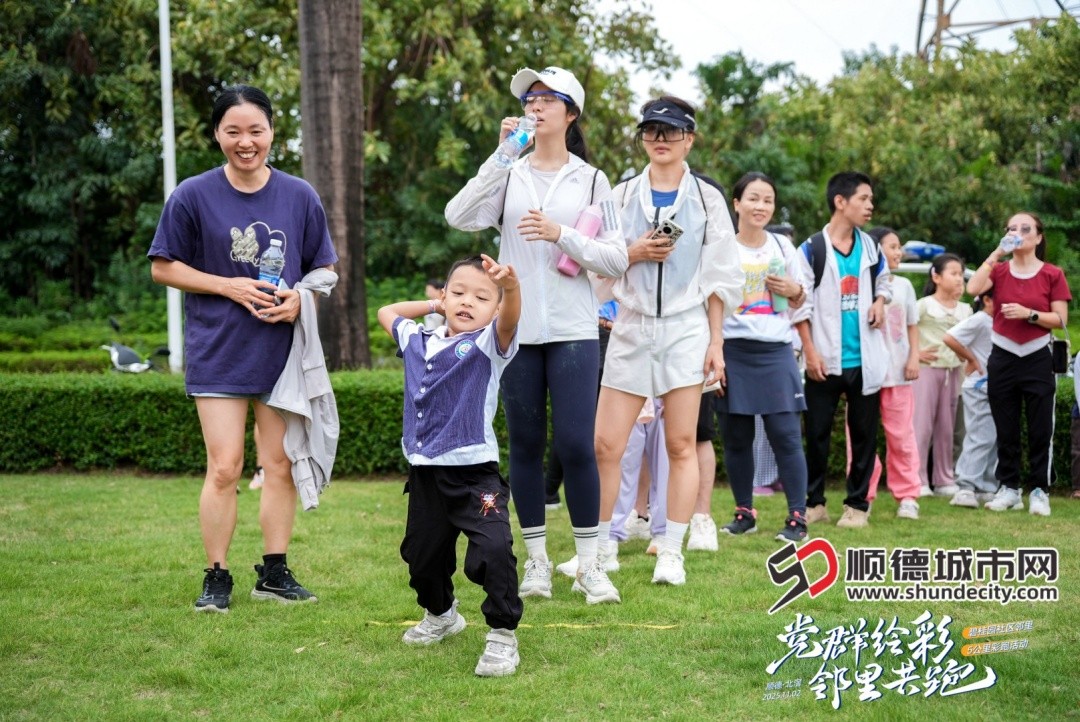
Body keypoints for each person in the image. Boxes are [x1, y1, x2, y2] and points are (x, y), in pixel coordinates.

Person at [148, 85, 338, 613]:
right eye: (233, 131)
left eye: (256, 130)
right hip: (219, 351)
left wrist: (300, 300)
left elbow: (324, 268)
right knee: (225, 467)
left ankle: (274, 573)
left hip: (282, 354)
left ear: (273, 132)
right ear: (217, 134)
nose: (245, 141)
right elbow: (163, 266)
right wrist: (227, 285)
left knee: (279, 465)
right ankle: (217, 576)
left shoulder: (300, 195)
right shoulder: (192, 195)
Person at [445, 66, 628, 603]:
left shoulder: (593, 180)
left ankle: (590, 565)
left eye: (548, 98)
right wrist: (501, 154)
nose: (536, 105)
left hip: (574, 329)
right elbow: (458, 215)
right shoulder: (509, 173)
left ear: (571, 113)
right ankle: (538, 562)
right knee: (525, 445)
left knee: (575, 444)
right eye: (530, 98)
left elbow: (616, 257)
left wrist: (560, 233)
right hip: (517, 329)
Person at [594, 95, 743, 587]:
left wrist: (716, 341)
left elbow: (720, 276)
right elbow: (599, 260)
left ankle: (672, 550)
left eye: (671, 131)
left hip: (685, 327)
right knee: (606, 444)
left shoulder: (707, 198)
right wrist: (634, 253)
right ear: (642, 138)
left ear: (689, 139)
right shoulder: (620, 195)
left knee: (681, 442)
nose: (660, 139)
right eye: (651, 130)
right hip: (632, 324)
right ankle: (600, 548)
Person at [377, 254, 524, 678]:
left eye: (482, 297)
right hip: (425, 473)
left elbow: (510, 318)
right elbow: (386, 312)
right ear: (444, 296)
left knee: (494, 549)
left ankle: (502, 635)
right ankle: (442, 615)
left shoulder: (489, 344)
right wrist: (432, 305)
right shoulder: (418, 339)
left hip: (475, 474)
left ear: (495, 308)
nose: (467, 302)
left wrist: (510, 288)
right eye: (458, 292)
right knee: (421, 557)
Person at [715, 172, 810, 542]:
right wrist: (714, 352)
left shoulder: (783, 247)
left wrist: (793, 289)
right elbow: (709, 301)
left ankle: (797, 517)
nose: (761, 206)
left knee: (786, 435)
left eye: (768, 200)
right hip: (733, 350)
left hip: (776, 350)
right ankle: (744, 512)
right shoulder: (721, 247)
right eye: (753, 198)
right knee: (736, 437)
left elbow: (800, 299)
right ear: (737, 203)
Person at [796, 171, 891, 529]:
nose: (870, 206)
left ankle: (857, 506)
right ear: (840, 201)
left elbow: (884, 281)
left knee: (864, 437)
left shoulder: (871, 247)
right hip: (823, 357)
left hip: (864, 358)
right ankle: (814, 503)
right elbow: (799, 306)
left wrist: (880, 301)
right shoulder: (811, 249)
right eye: (863, 199)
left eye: (871, 199)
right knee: (817, 435)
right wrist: (810, 351)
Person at [967, 212, 1071, 515]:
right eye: (1012, 228)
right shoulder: (999, 270)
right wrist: (997, 252)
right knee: (1006, 427)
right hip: (1002, 355)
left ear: (1038, 237)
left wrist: (1030, 314)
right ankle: (1009, 488)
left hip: (1038, 356)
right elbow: (973, 289)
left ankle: (1039, 490)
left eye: (1026, 229)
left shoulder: (1052, 274)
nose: (1018, 233)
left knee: (1040, 429)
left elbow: (1061, 319)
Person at [843, 227, 923, 519]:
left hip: (898, 374)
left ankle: (908, 496)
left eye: (899, 247)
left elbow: (912, 325)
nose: (898, 252)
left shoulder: (904, 285)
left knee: (901, 437)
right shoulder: (856, 282)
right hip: (863, 373)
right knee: (858, 438)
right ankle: (862, 494)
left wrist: (914, 357)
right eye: (892, 247)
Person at [912, 253, 971, 498]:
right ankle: (916, 479)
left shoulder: (966, 310)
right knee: (921, 426)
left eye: (961, 274)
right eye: (953, 273)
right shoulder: (924, 305)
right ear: (936, 277)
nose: (959, 279)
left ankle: (944, 479)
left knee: (947, 428)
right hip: (926, 371)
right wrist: (914, 354)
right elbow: (902, 330)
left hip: (954, 372)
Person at [944, 290, 999, 508]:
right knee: (980, 437)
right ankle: (965, 487)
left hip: (994, 387)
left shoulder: (996, 321)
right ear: (987, 300)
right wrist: (971, 359)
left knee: (993, 438)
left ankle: (986, 486)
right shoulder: (980, 319)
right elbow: (950, 337)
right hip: (978, 387)